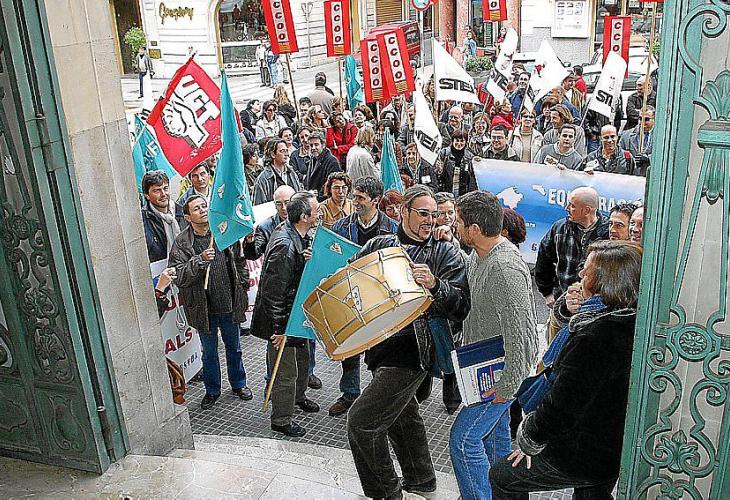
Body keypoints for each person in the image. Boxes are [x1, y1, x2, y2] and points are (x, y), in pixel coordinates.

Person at [490, 240, 643, 499]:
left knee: (503, 477)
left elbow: (562, 405)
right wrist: (568, 309)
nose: (580, 274)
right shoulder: (626, 318)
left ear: (608, 282)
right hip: (612, 444)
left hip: (584, 451)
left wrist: (530, 438)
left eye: (588, 271)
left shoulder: (596, 335)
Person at [347, 185, 470, 499]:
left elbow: (461, 306)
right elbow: (351, 278)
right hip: (380, 346)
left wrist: (436, 285)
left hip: (415, 352)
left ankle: (386, 492)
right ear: (403, 212)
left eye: (434, 214)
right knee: (402, 415)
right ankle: (421, 479)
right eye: (423, 213)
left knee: (362, 422)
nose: (430, 220)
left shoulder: (444, 251)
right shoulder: (379, 243)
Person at [450, 191, 538, 500]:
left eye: (458, 222)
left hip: (498, 376)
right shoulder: (479, 255)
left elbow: (520, 332)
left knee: (464, 441)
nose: (454, 226)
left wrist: (507, 387)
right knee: (495, 442)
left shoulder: (504, 268)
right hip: (483, 369)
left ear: (474, 229)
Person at [169, 195, 252, 410]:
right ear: (188, 217)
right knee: (209, 353)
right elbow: (178, 276)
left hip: (229, 305)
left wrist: (242, 287)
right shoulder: (182, 243)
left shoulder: (221, 232)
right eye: (197, 209)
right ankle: (212, 390)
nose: (203, 210)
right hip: (203, 310)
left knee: (234, 348)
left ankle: (239, 384)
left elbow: (240, 262)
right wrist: (199, 261)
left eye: (204, 206)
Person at [251, 192, 321, 437]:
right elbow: (273, 293)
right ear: (303, 217)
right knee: (285, 372)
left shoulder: (298, 235)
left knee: (302, 362)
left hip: (296, 318)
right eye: (316, 210)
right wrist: (280, 330)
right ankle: (281, 419)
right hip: (283, 323)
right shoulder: (285, 245)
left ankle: (298, 398)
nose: (320, 212)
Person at [329, 177, 399, 417]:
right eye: (354, 196)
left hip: (381, 298)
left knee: (381, 350)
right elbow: (331, 257)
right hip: (350, 296)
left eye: (360, 197)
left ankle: (380, 397)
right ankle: (350, 394)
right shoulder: (341, 227)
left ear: (376, 200)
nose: (354, 201)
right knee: (350, 349)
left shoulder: (393, 229)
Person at [535, 187, 609, 343]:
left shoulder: (608, 234)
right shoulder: (559, 229)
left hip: (595, 312)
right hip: (560, 306)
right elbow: (544, 259)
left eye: (572, 205)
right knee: (554, 351)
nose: (567, 208)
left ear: (587, 210)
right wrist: (548, 293)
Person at [244, 185, 295, 261]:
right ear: (275, 205)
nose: (283, 208)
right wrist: (250, 241)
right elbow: (253, 255)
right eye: (279, 204)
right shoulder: (265, 227)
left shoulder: (305, 221)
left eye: (287, 203)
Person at [141, 170, 181, 263]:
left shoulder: (183, 212)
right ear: (147, 195)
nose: (163, 194)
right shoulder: (143, 221)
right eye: (157, 190)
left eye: (165, 188)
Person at [253, 139, 303, 204]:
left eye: (286, 151)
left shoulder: (291, 172)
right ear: (273, 154)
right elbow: (259, 205)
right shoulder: (263, 178)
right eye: (282, 151)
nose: (286, 154)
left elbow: (299, 194)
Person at [436, 130, 477, 197]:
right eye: (457, 140)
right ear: (452, 141)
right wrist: (439, 170)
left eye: (462, 141)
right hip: (445, 191)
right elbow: (437, 173)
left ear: (466, 142)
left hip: (463, 193)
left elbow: (472, 178)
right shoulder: (444, 153)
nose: (459, 143)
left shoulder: (470, 156)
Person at [620, 106, 655, 177]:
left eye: (646, 119)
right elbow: (619, 154)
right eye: (640, 119)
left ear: (654, 119)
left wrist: (649, 159)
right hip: (632, 177)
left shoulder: (661, 137)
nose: (642, 122)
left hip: (652, 177)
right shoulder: (626, 136)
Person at [305, 131, 342, 199]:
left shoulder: (332, 161)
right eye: (311, 145)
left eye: (316, 144)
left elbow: (333, 185)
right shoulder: (313, 159)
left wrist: (318, 196)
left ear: (323, 145)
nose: (313, 148)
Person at [176, 163, 212, 227]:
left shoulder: (218, 192)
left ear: (208, 175)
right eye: (195, 176)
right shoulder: (184, 201)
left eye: (202, 174)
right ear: (190, 179)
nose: (200, 179)